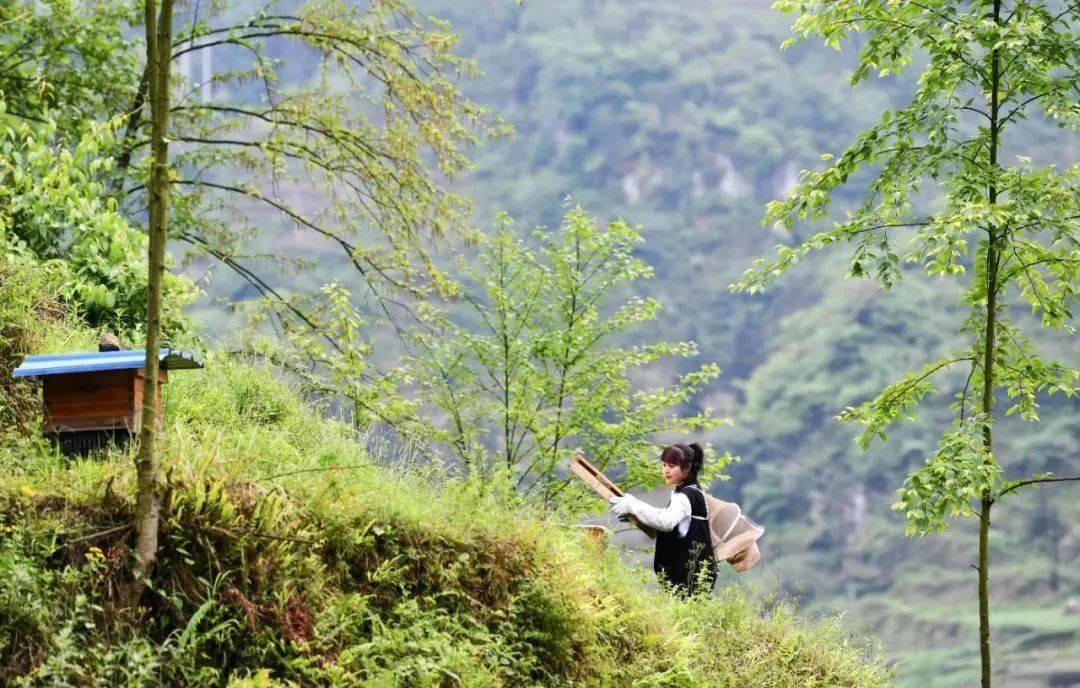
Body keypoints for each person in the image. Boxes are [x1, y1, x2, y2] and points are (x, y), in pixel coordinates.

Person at [608, 443, 717, 596]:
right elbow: (668, 521)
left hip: (689, 578)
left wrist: (634, 505)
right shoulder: (689, 492)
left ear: (687, 468)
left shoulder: (685, 496)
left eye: (672, 466)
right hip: (692, 577)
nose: (666, 470)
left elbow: (666, 522)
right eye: (664, 464)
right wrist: (634, 513)